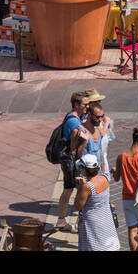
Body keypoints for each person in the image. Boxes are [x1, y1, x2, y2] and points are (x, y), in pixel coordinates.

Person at [52, 90, 90, 232]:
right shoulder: (74, 122)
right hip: (72, 162)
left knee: (68, 189)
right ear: (76, 104)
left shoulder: (72, 116)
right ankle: (78, 222)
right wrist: (80, 148)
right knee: (80, 190)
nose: (87, 107)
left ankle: (61, 220)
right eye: (85, 104)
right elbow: (75, 143)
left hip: (67, 161)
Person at [74, 154, 121, 251]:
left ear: (84, 169)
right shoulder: (105, 178)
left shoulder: (86, 187)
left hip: (92, 224)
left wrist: (81, 187)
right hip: (106, 220)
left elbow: (77, 206)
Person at [72, 96, 115, 179]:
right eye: (97, 117)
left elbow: (101, 152)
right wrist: (84, 142)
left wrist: (103, 173)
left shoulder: (98, 128)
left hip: (98, 175)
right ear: (89, 115)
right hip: (85, 177)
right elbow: (74, 154)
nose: (100, 119)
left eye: (102, 116)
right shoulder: (80, 130)